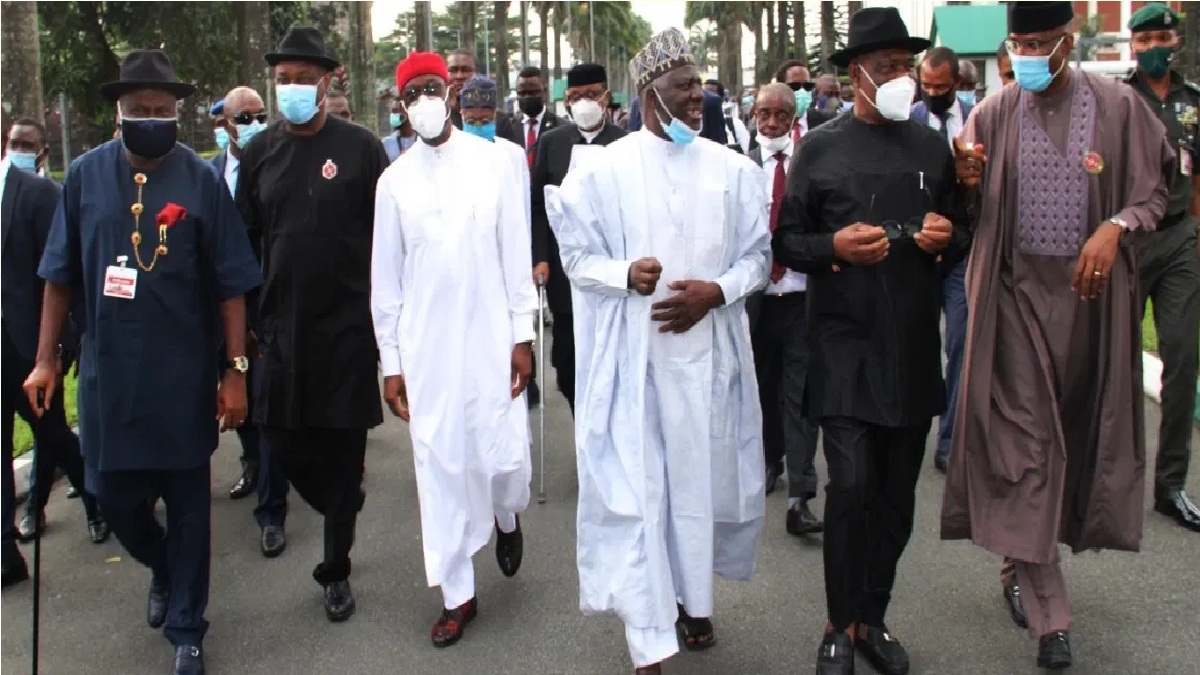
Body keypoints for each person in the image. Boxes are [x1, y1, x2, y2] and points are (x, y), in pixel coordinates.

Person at [943, 2, 1175, 669]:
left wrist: (1117, 226)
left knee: (1069, 443)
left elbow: (1154, 193)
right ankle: (1052, 619)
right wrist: (966, 183)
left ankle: (1020, 560)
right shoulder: (990, 114)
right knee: (1030, 447)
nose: (1028, 55)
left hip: (1087, 309)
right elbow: (962, 213)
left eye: (1041, 42)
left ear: (1069, 43)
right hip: (1013, 305)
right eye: (1018, 43)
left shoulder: (1119, 107)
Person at [24, 49, 262, 675]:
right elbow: (58, 277)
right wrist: (46, 360)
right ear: (119, 114)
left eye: (163, 111)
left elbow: (231, 285)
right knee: (115, 501)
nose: (152, 119)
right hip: (110, 382)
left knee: (188, 510)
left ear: (177, 114)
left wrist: (234, 375)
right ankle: (160, 565)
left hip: (183, 376)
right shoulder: (82, 177)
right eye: (140, 111)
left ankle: (187, 624)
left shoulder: (202, 179)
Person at [545, 27, 769, 675]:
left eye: (698, 87)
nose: (696, 97)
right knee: (639, 494)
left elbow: (757, 259)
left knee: (694, 490)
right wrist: (624, 275)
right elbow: (577, 258)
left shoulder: (733, 170)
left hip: (707, 367)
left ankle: (691, 598)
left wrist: (717, 290)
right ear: (649, 94)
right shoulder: (603, 171)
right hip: (633, 367)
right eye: (682, 88)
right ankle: (647, 636)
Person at [772, 8, 970, 674]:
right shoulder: (820, 148)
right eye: (886, 67)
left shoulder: (931, 148)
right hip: (843, 346)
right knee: (850, 488)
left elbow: (961, 227)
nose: (900, 79)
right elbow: (787, 241)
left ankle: (873, 617)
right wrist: (832, 246)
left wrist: (950, 235)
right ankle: (837, 621)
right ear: (855, 75)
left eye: (905, 67)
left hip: (910, 348)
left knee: (894, 498)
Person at [372, 51, 534, 648]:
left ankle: (506, 515)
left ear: (452, 91)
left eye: (431, 88)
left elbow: (515, 255)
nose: (424, 100)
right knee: (439, 464)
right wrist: (392, 364)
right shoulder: (393, 183)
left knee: (502, 457)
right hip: (429, 350)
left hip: (491, 337)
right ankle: (457, 595)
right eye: (411, 93)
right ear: (401, 106)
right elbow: (385, 284)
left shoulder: (495, 164)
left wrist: (523, 337)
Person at [236, 26, 387, 623]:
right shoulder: (259, 154)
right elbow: (243, 241)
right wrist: (246, 319)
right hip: (279, 331)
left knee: (343, 449)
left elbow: (387, 240)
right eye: (283, 79)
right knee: (284, 443)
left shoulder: (360, 148)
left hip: (348, 329)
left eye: (303, 78)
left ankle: (336, 569)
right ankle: (340, 502)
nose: (292, 88)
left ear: (328, 82)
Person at [3, 119, 109, 549]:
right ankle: (7, 551)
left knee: (52, 435)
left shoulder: (37, 194)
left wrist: (63, 342)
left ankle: (96, 501)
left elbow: (64, 275)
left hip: (28, 343)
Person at [1125, 2, 1200, 533]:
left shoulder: (1194, 101)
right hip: (1128, 240)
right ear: (1132, 45)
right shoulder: (1118, 100)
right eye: (1143, 39)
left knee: (1182, 356)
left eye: (1161, 38)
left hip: (1178, 237)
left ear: (1175, 41)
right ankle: (1116, 482)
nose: (1153, 47)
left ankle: (1170, 485)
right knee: (1117, 369)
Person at [744, 83, 824, 536]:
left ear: (795, 117)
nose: (771, 123)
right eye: (764, 114)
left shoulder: (810, 163)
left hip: (801, 297)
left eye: (781, 114)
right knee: (763, 389)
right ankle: (770, 458)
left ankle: (801, 495)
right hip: (756, 301)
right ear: (754, 115)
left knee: (801, 396)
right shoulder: (739, 165)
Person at [213, 86, 291, 554]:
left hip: (268, 305)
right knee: (239, 399)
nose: (253, 123)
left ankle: (272, 511)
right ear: (224, 123)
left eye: (259, 115)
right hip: (223, 305)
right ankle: (253, 464)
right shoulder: (208, 176)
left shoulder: (277, 160)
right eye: (243, 118)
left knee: (267, 408)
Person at [530, 62, 628, 413]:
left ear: (606, 98)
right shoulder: (552, 142)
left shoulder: (626, 143)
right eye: (575, 97)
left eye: (591, 95)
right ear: (566, 102)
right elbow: (538, 205)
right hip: (564, 267)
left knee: (613, 353)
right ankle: (580, 420)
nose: (583, 102)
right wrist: (539, 257)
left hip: (614, 267)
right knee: (570, 358)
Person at [911, 46, 975, 474]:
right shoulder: (909, 117)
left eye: (941, 87)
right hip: (916, 251)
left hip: (960, 250)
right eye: (927, 86)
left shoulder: (977, 116)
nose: (933, 93)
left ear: (957, 83)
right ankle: (910, 428)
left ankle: (950, 438)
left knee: (961, 343)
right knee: (915, 344)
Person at [446, 48, 477, 129]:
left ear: (476, 74)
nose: (459, 76)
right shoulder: (435, 120)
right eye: (453, 70)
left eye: (466, 70)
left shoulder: (498, 119)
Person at [382, 94, 418, 163]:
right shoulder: (386, 143)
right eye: (392, 112)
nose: (393, 115)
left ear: (408, 112)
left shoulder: (422, 141)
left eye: (395, 111)